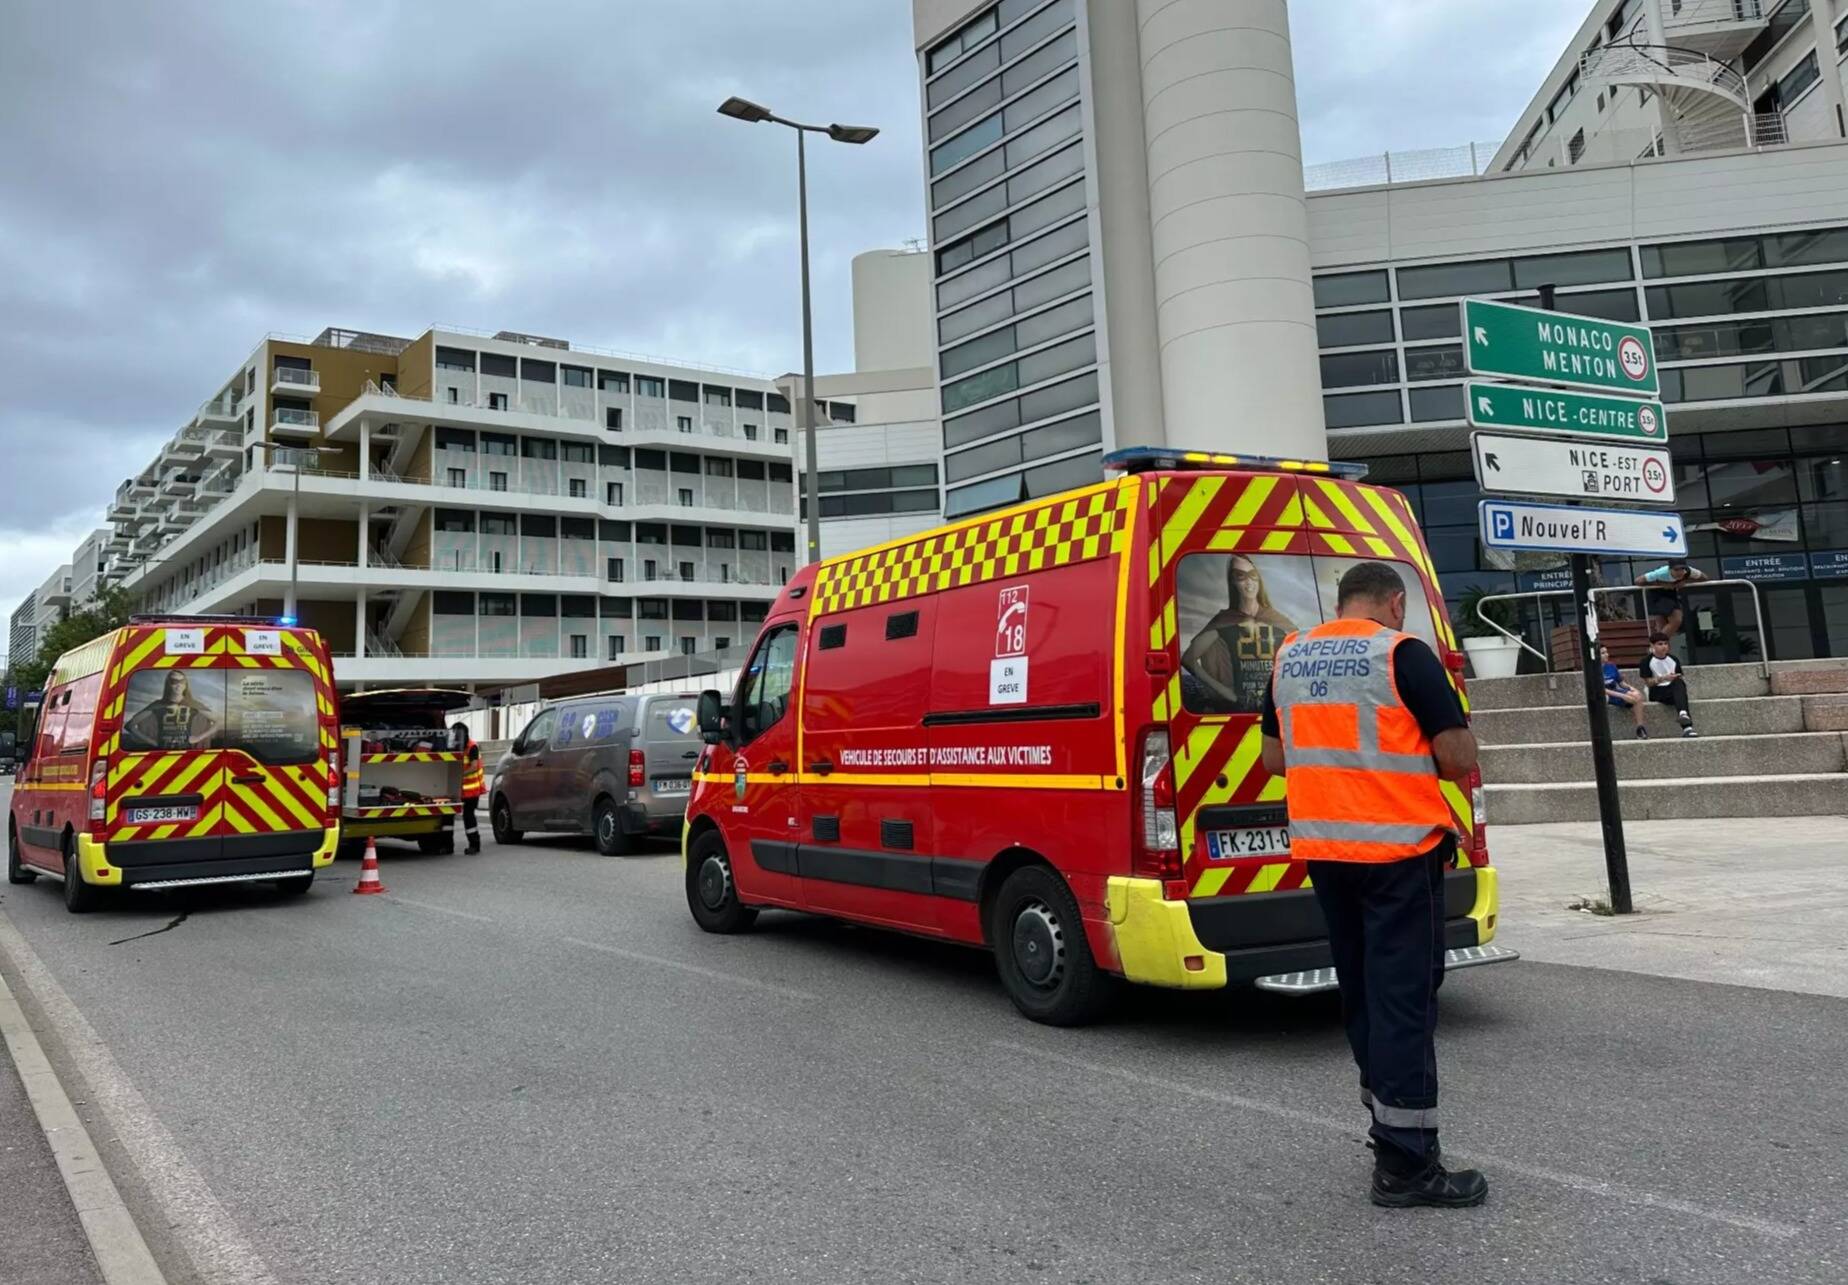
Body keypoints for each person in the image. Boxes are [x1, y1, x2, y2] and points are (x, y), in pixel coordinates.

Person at [1260, 561, 1487, 1209]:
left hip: (1327, 852)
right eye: (1402, 608)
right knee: (1406, 997)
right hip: (1397, 850)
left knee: (1362, 986)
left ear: (1341, 603)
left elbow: (1276, 757)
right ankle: (1407, 1166)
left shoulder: (1291, 655)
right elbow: (1456, 754)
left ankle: (1385, 1120)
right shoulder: (1403, 653)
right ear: (1393, 602)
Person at [1182, 555, 1297, 712]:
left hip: (1276, 710)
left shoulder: (1276, 619)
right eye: (1240, 576)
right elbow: (1188, 659)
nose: (1249, 582)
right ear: (1233, 582)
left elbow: (1305, 651)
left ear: (1259, 580)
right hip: (1238, 710)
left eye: (1253, 575)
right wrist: (1225, 692)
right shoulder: (1226, 621)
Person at [123, 672, 218, 750]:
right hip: (162, 752)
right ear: (168, 684)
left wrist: (198, 738)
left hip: (187, 751)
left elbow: (218, 722)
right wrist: (153, 742)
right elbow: (130, 725)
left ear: (185, 685)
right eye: (174, 682)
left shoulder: (193, 704)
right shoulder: (158, 705)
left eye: (182, 681)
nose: (178, 685)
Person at [1638, 634, 1698, 738]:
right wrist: (1663, 678)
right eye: (1660, 644)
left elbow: (1679, 676)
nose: (1664, 647)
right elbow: (1648, 683)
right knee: (1679, 690)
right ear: (1652, 646)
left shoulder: (1673, 659)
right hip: (1657, 691)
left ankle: (1684, 717)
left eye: (1666, 644)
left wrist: (1674, 678)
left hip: (1672, 690)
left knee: (1679, 682)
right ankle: (1686, 724)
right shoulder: (1646, 661)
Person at [1634, 560, 1707, 640]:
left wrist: (1686, 581)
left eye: (1682, 569)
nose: (1679, 572)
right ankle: (1657, 643)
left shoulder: (1689, 572)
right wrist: (1661, 584)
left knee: (1662, 626)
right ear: (1670, 569)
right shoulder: (1661, 572)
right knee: (1676, 619)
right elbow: (1638, 581)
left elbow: (1704, 577)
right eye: (1676, 570)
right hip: (1657, 594)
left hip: (1672, 594)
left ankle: (1658, 648)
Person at [1601, 644, 1649, 739]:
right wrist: (1622, 696)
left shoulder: (1611, 666)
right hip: (1605, 694)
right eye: (1603, 653)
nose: (1606, 655)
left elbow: (1621, 683)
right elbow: (1601, 689)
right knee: (1604, 698)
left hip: (1615, 690)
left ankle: (1640, 728)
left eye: (1606, 652)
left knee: (1637, 696)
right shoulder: (1594, 670)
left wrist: (1632, 688)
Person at [452, 721, 486, 852]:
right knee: (448, 817)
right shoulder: (455, 747)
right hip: (458, 789)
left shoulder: (472, 747)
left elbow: (474, 766)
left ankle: (474, 845)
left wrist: (458, 775)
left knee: (468, 816)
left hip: (471, 790)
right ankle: (447, 845)